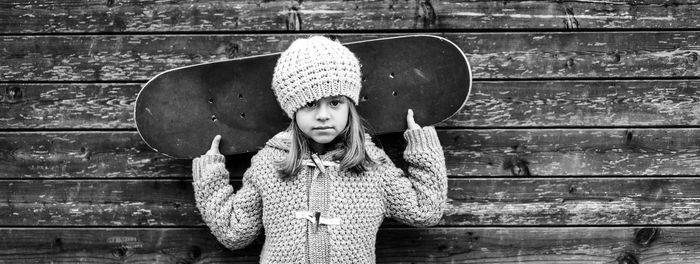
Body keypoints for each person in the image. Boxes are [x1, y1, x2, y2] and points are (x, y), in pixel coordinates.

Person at [191, 36, 447, 263]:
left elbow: (426, 210)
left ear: (350, 107)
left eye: (335, 102)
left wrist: (421, 144)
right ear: (293, 109)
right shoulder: (269, 166)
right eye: (311, 104)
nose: (323, 115)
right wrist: (211, 175)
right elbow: (235, 233)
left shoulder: (373, 167)